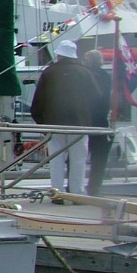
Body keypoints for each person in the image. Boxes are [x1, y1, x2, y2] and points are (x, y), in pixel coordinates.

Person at [30, 39, 97, 198]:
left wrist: (42, 123)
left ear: (59, 55)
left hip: (54, 124)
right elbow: (97, 98)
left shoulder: (49, 72)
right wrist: (89, 120)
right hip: (80, 124)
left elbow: (38, 101)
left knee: (56, 159)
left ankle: (56, 192)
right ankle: (76, 193)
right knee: (79, 159)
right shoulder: (85, 72)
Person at [81, 48, 115, 195]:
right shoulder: (106, 76)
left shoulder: (85, 76)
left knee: (79, 156)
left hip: (86, 121)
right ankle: (94, 186)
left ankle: (75, 186)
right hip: (101, 121)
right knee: (99, 159)